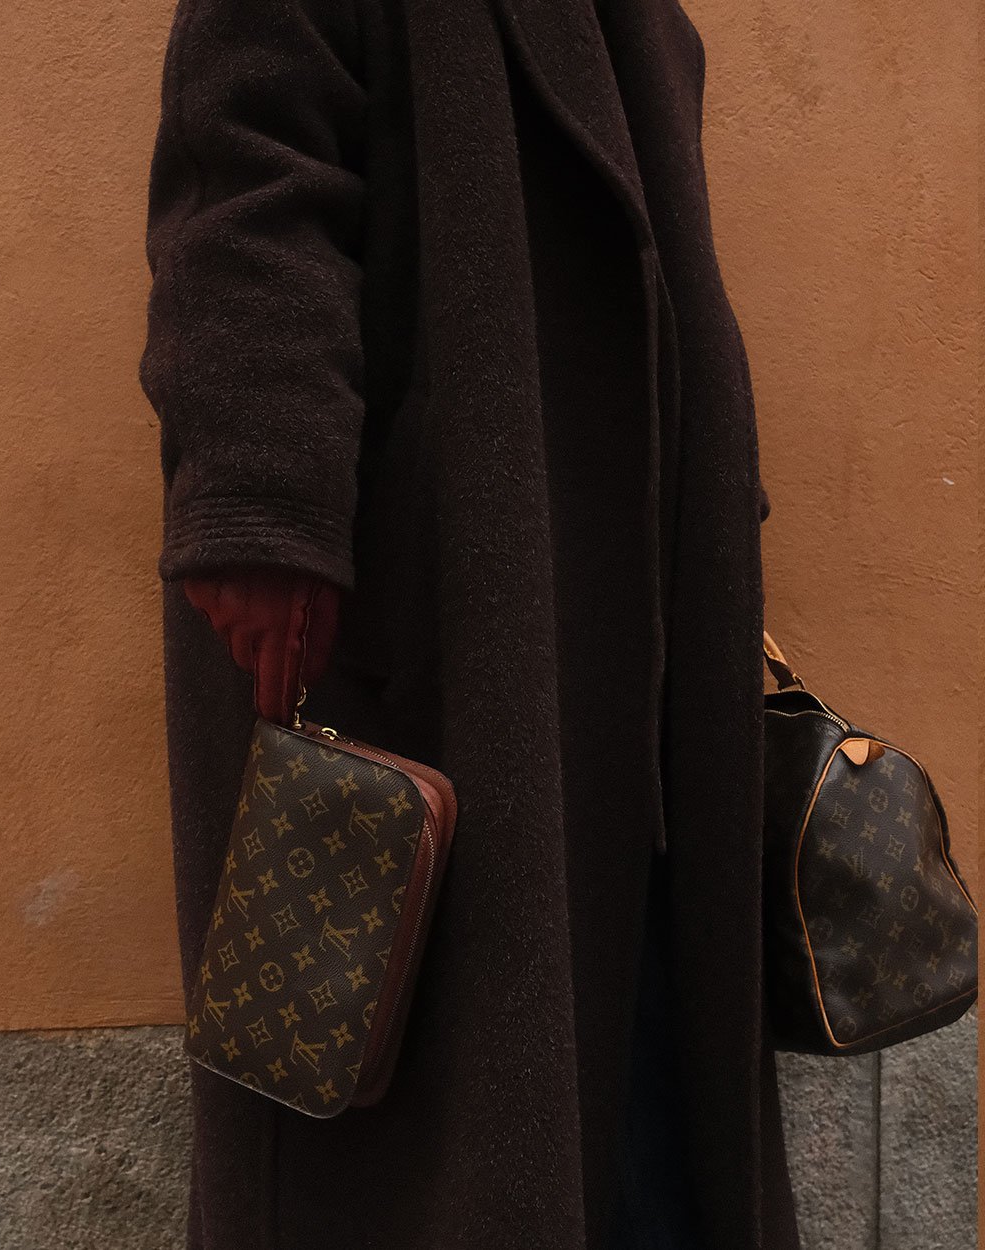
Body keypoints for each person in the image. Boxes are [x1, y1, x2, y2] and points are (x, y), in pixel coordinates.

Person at [140, 0, 795, 1246]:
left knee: (639, 1077)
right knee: (424, 1097)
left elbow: (659, 279)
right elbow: (247, 186)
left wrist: (705, 503)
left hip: (618, 633)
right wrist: (260, 498)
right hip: (424, 618)